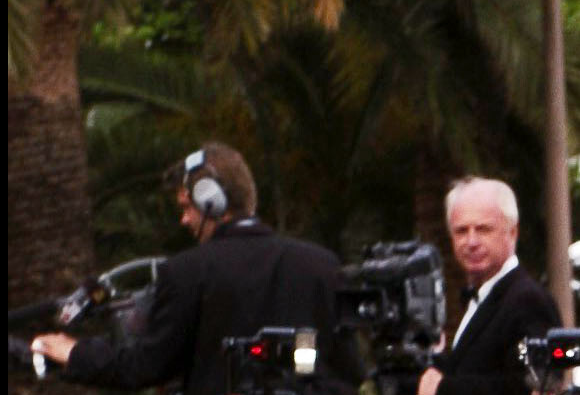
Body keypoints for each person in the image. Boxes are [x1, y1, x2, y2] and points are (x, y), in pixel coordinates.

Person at [31, 141, 363, 394]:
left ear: (211, 201)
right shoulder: (322, 264)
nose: (184, 220)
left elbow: (144, 368)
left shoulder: (187, 272)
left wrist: (74, 353)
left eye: (187, 207)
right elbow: (350, 371)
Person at [417, 176, 562, 395]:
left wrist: (443, 389)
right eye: (461, 231)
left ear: (512, 233)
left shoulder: (528, 299)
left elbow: (534, 386)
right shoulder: (483, 295)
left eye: (483, 229)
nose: (471, 242)